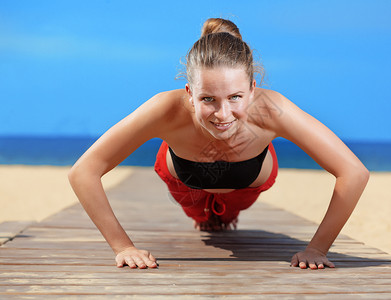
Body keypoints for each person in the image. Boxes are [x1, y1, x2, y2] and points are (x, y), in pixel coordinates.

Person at [68, 18, 369, 271]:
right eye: (208, 99)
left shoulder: (274, 109)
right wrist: (123, 247)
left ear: (253, 89)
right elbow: (84, 172)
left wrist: (317, 249)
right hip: (187, 184)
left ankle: (223, 214)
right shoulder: (165, 110)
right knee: (202, 217)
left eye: (235, 97)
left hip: (247, 184)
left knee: (225, 218)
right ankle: (205, 215)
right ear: (189, 92)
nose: (223, 115)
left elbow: (353, 173)